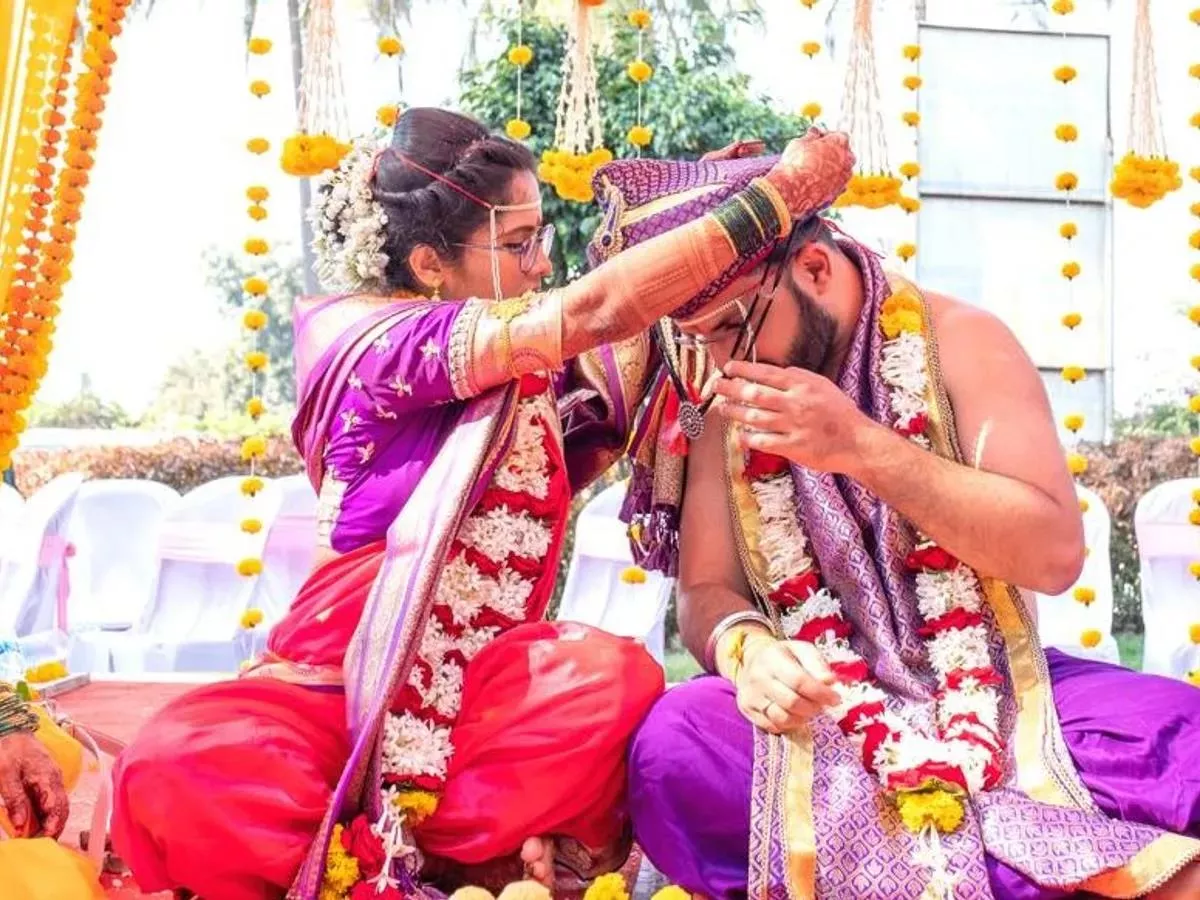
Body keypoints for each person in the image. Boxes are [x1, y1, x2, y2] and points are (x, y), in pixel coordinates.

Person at [108, 108, 855, 900]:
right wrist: (769, 201)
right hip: (334, 694)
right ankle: (414, 862)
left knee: (611, 682)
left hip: (476, 696)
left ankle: (431, 858)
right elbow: (594, 312)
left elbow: (631, 325)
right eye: (517, 243)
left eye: (541, 238)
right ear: (430, 263)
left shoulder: (516, 359)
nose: (541, 266)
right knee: (176, 766)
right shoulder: (373, 346)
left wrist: (706, 205)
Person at [597, 152, 1200, 899]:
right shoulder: (729, 390)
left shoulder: (963, 343)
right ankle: (1063, 866)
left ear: (814, 269)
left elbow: (1050, 555)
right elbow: (707, 590)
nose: (718, 360)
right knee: (673, 748)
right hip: (821, 723)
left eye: (728, 328)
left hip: (1006, 703)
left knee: (1186, 741)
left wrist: (860, 447)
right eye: (699, 339)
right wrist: (747, 653)